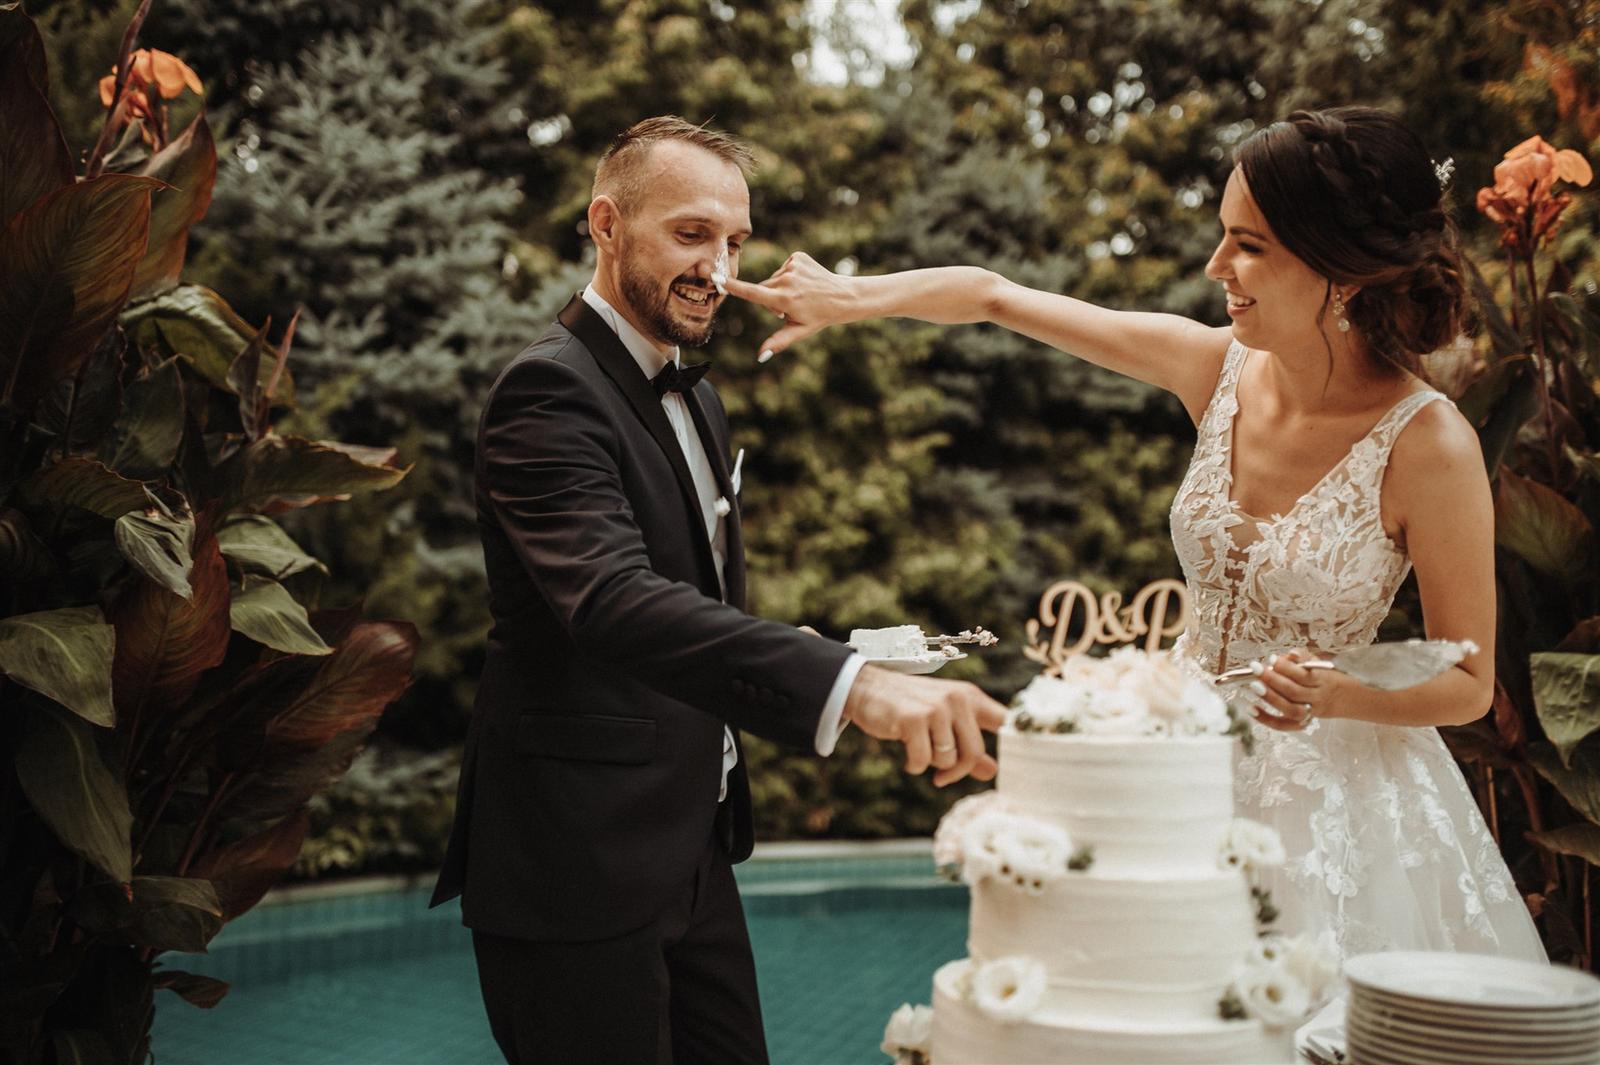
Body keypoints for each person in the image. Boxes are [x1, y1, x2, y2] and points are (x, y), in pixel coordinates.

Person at [724, 106, 1547, 965]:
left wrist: (1339, 693)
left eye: (1249, 245)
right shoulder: (1213, 368)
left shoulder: (1430, 443)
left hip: (1336, 807)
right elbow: (994, 296)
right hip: (1177, 766)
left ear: (1339, 270)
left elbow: (1467, 681)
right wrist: (850, 297)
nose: (1215, 266)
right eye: (1223, 235)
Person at [430, 115, 1007, 1065]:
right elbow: (613, 602)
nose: (719, 268)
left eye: (735, 241)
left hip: (691, 842)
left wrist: (832, 651)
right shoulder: (547, 390)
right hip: (579, 860)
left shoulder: (695, 393)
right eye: (691, 234)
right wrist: (848, 687)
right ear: (607, 223)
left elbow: (686, 604)